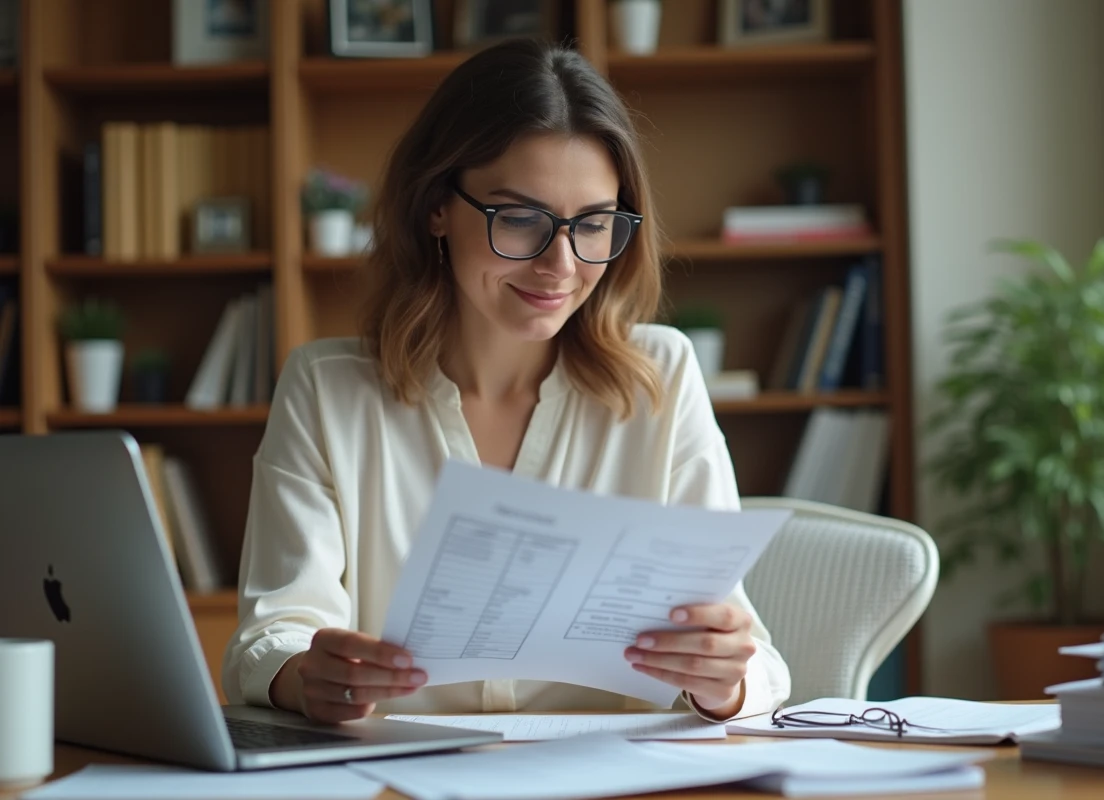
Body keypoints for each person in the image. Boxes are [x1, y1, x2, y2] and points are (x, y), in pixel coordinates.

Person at [222, 37, 791, 725]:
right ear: (437, 206)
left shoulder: (660, 379)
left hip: (613, 783)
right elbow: (268, 637)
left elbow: (751, 656)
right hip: (400, 780)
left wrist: (721, 680)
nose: (561, 264)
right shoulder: (327, 389)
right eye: (520, 219)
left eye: (594, 226)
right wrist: (303, 674)